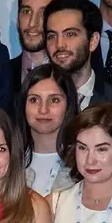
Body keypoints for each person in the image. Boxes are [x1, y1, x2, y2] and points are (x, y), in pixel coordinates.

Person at [17, 64, 79, 196]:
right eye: (34, 100)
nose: (43, 109)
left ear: (69, 105)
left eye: (54, 100)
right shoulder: (7, 163)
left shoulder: (84, 164)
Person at [44, 0, 112, 107]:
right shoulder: (32, 98)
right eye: (52, 36)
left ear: (93, 41)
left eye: (70, 34)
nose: (59, 44)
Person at [10, 0, 67, 88]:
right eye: (26, 11)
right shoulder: (0, 74)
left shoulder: (75, 75)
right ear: (17, 18)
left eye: (43, 13)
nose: (32, 23)